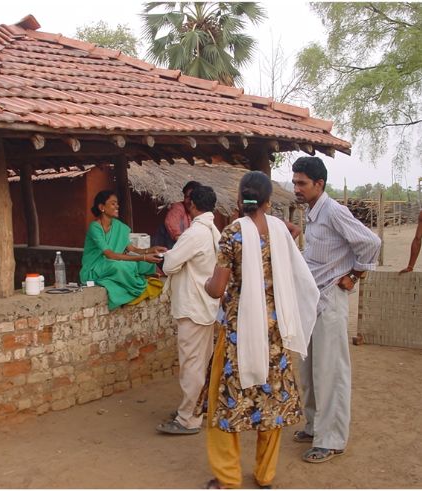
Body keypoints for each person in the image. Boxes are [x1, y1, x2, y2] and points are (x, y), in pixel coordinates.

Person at [202, 171, 320, 489]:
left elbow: (217, 289)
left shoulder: (232, 234)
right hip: (275, 333)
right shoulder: (280, 230)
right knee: (271, 400)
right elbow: (292, 230)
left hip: (238, 335)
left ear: (240, 199)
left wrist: (206, 283)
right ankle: (265, 475)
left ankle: (228, 478)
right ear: (268, 201)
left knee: (225, 400)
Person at [291, 156, 381, 464]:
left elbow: (371, 242)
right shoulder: (314, 213)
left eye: (302, 183)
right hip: (311, 301)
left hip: (330, 299)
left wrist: (353, 275)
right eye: (294, 182)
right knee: (310, 370)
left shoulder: (333, 211)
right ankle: (315, 426)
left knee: (330, 372)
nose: (296, 188)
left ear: (319, 184)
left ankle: (331, 440)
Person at [156, 185, 221, 436]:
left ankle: (187, 418)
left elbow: (171, 264)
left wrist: (167, 255)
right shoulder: (213, 230)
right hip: (204, 307)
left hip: (193, 307)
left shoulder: (195, 233)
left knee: (191, 365)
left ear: (192, 205)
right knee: (199, 363)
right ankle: (194, 410)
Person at [79, 190, 166, 310]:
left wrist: (151, 250)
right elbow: (109, 254)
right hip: (95, 266)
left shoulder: (118, 225)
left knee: (143, 264)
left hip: (113, 261)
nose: (117, 206)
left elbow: (133, 249)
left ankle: (155, 280)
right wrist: (143, 257)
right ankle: (139, 286)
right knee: (121, 266)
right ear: (102, 207)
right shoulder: (95, 227)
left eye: (117, 203)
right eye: (113, 203)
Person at [153, 181, 202, 248]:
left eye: (192, 198)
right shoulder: (178, 207)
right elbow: (172, 223)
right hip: (167, 248)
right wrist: (183, 242)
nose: (190, 201)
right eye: (187, 197)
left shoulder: (200, 211)